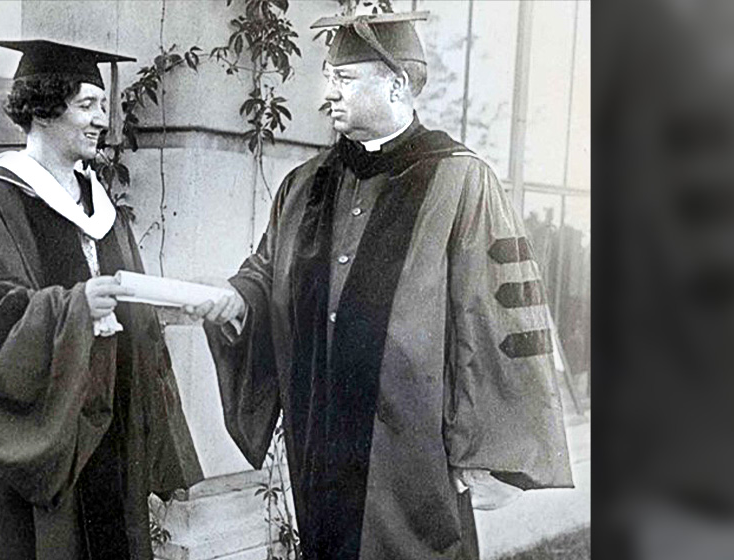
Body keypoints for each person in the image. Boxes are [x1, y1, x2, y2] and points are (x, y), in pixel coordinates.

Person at [187, 12, 573, 560]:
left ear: (395, 83)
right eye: (327, 77)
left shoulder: (460, 180)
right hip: (319, 448)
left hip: (412, 454)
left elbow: (494, 316)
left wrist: (488, 454)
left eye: (343, 79)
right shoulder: (304, 185)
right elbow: (265, 271)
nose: (327, 94)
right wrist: (235, 300)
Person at [0, 39, 202, 560]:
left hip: (105, 431)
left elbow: (129, 316)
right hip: (32, 442)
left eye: (102, 106)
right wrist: (77, 307)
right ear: (43, 107)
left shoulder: (100, 207)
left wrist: (158, 311)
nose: (103, 119)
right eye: (88, 105)